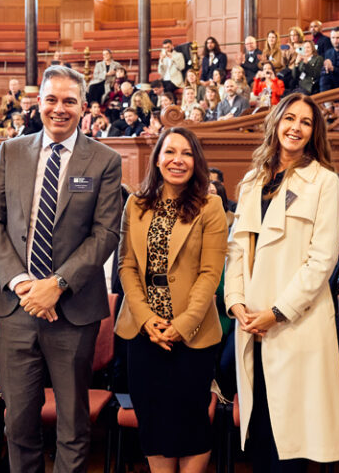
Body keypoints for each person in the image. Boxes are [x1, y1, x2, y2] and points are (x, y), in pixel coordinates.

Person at [0, 65, 123, 473]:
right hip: (16, 308)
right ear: (38, 103)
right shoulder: (11, 151)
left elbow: (106, 232)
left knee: (73, 426)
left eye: (69, 101)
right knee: (18, 421)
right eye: (52, 100)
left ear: (84, 107)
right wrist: (23, 282)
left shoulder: (105, 160)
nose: (60, 109)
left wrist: (56, 285)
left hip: (73, 314)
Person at [225, 92, 339, 472]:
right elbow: (238, 249)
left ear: (314, 133)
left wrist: (277, 312)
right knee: (259, 428)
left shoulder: (324, 182)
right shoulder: (251, 181)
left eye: (306, 122)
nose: (295, 127)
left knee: (290, 437)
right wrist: (236, 303)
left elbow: (322, 259)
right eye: (290, 118)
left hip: (295, 323)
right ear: (276, 122)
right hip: (250, 322)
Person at [115, 127, 228, 473]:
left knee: (192, 423)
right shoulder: (136, 203)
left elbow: (210, 273)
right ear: (157, 158)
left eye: (187, 153)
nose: (177, 160)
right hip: (142, 331)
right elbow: (126, 265)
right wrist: (148, 319)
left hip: (192, 333)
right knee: (152, 421)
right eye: (170, 152)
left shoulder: (211, 206)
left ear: (197, 162)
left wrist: (181, 326)